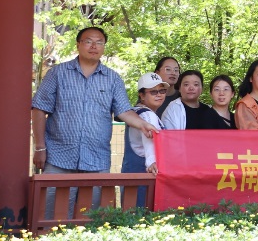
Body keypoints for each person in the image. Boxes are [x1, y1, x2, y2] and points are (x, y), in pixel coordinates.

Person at [31, 27, 156, 217]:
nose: (94, 46)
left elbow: (124, 110)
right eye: (88, 41)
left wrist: (143, 124)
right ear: (78, 45)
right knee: (51, 216)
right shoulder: (58, 73)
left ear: (104, 47)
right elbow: (39, 108)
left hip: (96, 160)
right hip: (58, 157)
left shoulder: (113, 78)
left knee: (93, 220)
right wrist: (40, 147)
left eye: (99, 42)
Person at [128, 72, 167, 173]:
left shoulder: (135, 111)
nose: (159, 94)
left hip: (131, 169)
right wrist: (152, 162)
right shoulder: (148, 115)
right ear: (142, 95)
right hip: (146, 172)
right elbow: (149, 140)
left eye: (162, 91)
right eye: (153, 92)